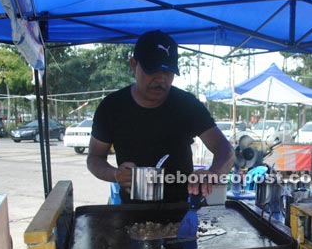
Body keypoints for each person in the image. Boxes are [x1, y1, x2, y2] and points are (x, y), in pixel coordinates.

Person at [87, 30, 234, 203]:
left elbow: (226, 151)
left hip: (181, 208)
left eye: (168, 72)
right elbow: (94, 158)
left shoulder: (187, 104)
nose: (161, 79)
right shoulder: (111, 107)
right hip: (131, 210)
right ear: (134, 65)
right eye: (152, 70)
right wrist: (115, 174)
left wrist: (213, 173)